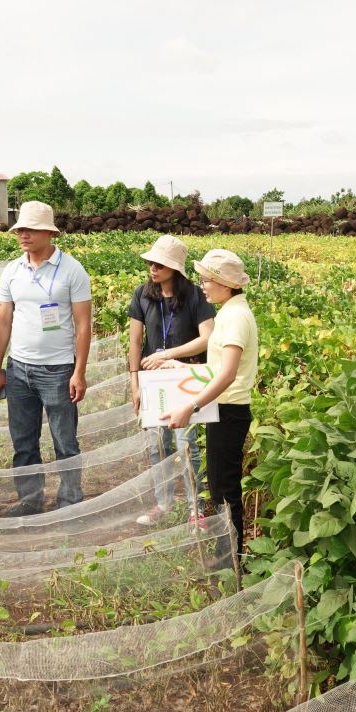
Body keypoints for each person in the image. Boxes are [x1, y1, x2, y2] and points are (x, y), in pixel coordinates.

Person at [0, 201, 93, 516]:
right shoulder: (12, 270)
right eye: (20, 229)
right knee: (23, 440)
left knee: (65, 441)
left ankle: (70, 502)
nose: (23, 234)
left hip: (59, 370)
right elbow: (3, 321)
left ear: (49, 232)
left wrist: (79, 372)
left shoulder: (72, 270)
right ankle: (30, 500)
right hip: (18, 369)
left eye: (30, 229)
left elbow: (83, 325)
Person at [161, 249, 258, 550]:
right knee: (218, 485)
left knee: (225, 489)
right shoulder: (228, 312)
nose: (202, 286)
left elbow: (227, 375)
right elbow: (218, 368)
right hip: (223, 408)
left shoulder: (236, 317)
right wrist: (185, 367)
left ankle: (230, 557)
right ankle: (226, 554)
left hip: (230, 411)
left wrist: (190, 407)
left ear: (227, 284)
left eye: (207, 280)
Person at [127, 234, 213, 524]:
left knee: (185, 444)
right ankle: (162, 504)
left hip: (185, 377)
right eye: (151, 262)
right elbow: (136, 344)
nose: (153, 267)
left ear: (175, 268)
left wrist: (167, 355)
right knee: (157, 445)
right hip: (152, 381)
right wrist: (135, 384)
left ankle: (195, 509)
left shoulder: (195, 296)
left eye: (160, 263)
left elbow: (207, 339)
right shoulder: (142, 294)